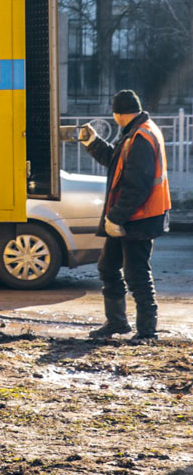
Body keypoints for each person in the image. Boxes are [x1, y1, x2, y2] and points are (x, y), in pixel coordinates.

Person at [79, 89, 171, 341]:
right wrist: (93, 142)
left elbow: (136, 186)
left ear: (117, 114)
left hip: (139, 218)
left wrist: (115, 217)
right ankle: (117, 323)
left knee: (137, 274)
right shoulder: (136, 132)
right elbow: (116, 161)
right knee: (108, 267)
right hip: (131, 216)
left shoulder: (141, 137)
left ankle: (147, 331)